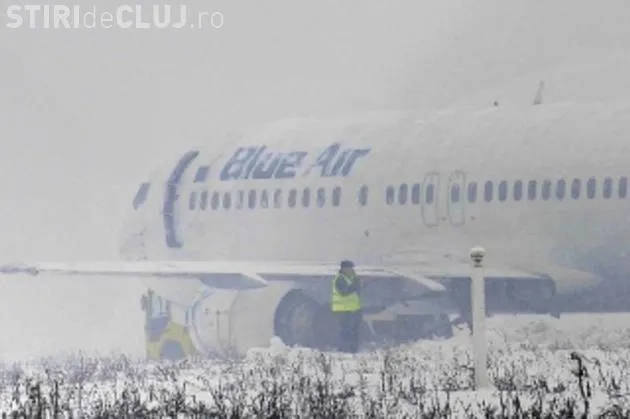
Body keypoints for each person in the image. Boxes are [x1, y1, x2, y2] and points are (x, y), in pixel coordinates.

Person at [330, 260, 362, 353]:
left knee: (353, 330)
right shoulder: (340, 279)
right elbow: (344, 292)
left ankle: (352, 349)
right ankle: (345, 349)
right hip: (343, 310)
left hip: (353, 309)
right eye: (350, 268)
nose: (351, 270)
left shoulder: (350, 278)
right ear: (344, 269)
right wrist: (355, 284)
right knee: (346, 330)